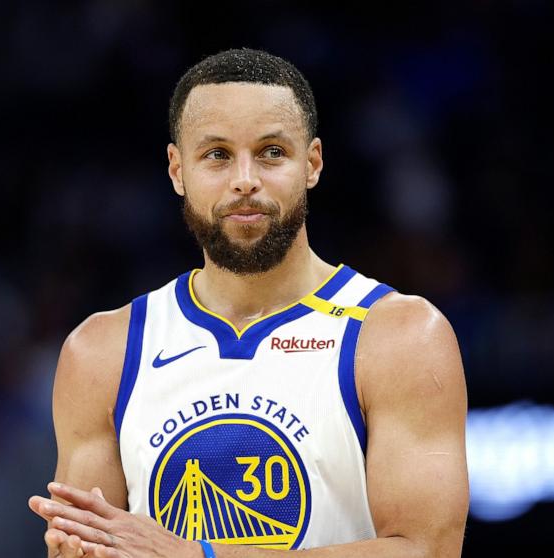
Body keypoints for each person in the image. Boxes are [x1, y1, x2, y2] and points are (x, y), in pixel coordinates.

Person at [28, 48, 468, 558]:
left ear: (313, 163)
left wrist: (202, 556)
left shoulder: (400, 336)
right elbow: (93, 546)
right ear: (177, 171)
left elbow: (427, 550)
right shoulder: (103, 351)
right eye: (216, 154)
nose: (244, 179)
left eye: (271, 152)